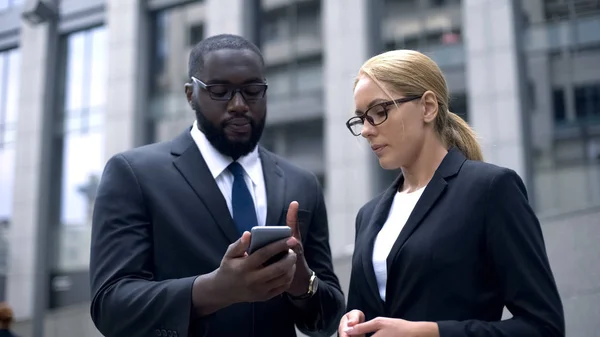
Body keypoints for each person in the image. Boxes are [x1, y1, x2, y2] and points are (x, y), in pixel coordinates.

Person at [90, 34, 344, 337]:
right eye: (220, 92)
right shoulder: (134, 174)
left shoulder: (301, 184)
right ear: (190, 95)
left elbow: (328, 321)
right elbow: (111, 305)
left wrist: (302, 281)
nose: (239, 105)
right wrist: (215, 290)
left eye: (252, 91)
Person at [337, 50, 565, 337]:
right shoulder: (368, 216)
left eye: (379, 112)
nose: (368, 130)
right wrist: (352, 323)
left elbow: (544, 327)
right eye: (361, 119)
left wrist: (430, 333)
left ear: (428, 107)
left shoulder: (491, 190)